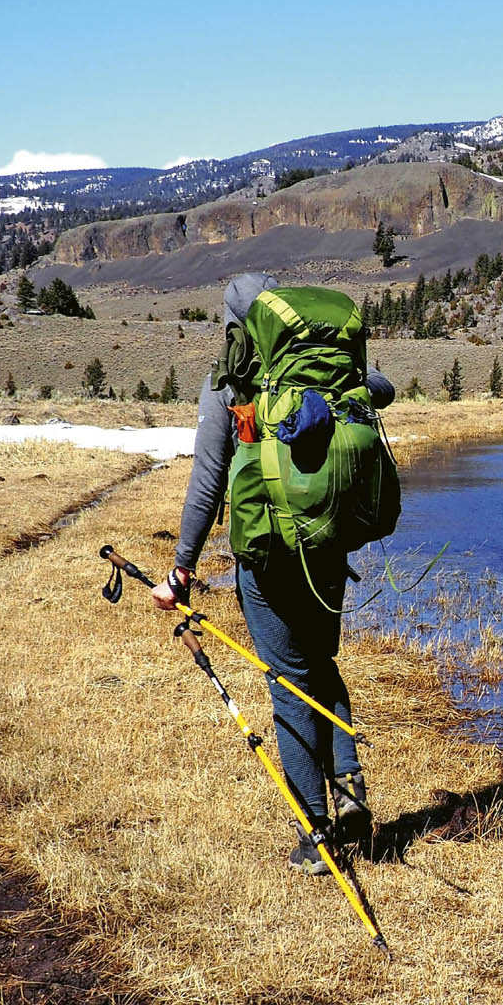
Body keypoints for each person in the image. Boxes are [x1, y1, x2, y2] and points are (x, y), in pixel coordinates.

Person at [154, 272, 395, 875]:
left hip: (266, 552)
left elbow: (207, 483)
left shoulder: (229, 385)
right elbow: (382, 389)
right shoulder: (327, 371)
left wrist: (182, 569)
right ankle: (349, 790)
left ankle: (314, 832)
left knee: (286, 677)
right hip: (327, 543)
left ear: (235, 325)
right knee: (320, 664)